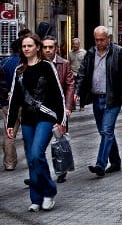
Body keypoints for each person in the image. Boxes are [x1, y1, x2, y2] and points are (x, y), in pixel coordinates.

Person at [6, 34, 66, 212]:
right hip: (27, 121)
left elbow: (58, 94)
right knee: (32, 161)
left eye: (29, 45)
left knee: (36, 154)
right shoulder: (19, 70)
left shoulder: (46, 67)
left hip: (46, 119)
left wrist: (62, 121)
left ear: (37, 47)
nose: (26, 49)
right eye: (24, 46)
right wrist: (10, 124)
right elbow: (15, 100)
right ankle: (36, 198)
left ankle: (49, 191)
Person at [76, 25, 122, 177]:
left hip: (112, 98)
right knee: (104, 132)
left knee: (107, 130)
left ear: (108, 39)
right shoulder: (90, 53)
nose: (99, 43)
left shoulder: (119, 52)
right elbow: (82, 73)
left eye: (102, 39)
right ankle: (115, 162)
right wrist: (77, 92)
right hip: (96, 98)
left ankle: (100, 164)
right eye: (97, 40)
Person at [41, 36, 75, 183]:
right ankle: (37, 173)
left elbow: (70, 85)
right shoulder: (36, 64)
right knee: (38, 145)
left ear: (56, 48)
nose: (47, 50)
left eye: (50, 47)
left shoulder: (64, 63)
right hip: (41, 110)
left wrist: (67, 107)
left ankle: (62, 171)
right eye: (45, 47)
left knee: (60, 142)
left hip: (59, 109)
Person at [1, 38, 22, 171]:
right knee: (30, 132)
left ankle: (9, 162)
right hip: (24, 103)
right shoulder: (25, 63)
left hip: (7, 103)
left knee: (9, 133)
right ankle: (34, 160)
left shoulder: (4, 62)